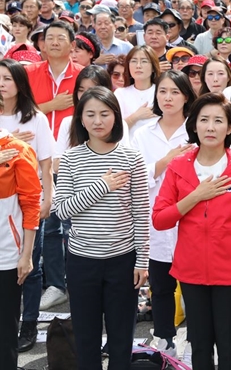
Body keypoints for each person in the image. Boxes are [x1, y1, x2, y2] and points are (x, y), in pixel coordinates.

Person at [152, 93, 231, 370]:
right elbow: (160, 219)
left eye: (218, 120)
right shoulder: (179, 166)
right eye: (203, 120)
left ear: (230, 127)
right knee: (199, 344)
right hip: (190, 271)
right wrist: (196, 196)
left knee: (227, 346)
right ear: (194, 125)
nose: (210, 127)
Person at [52, 87, 150, 370]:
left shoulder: (132, 157)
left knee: (121, 338)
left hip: (123, 260)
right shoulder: (71, 159)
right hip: (82, 261)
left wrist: (142, 260)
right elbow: (63, 210)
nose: (98, 120)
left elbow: (141, 212)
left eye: (105, 113)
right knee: (86, 337)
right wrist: (102, 186)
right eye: (90, 114)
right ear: (81, 120)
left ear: (116, 117)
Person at [130, 70, 196, 358]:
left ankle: (195, 339)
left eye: (174, 92)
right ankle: (165, 338)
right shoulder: (143, 133)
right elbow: (135, 176)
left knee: (195, 286)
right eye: (162, 92)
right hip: (155, 219)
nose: (168, 98)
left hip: (192, 218)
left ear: (186, 96)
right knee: (161, 285)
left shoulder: (196, 130)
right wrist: (165, 162)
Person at [0, 59, 55, 353]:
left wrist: (48, 195)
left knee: (29, 266)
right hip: (3, 197)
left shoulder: (34, 117)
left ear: (20, 83)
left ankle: (29, 321)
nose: (1, 84)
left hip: (26, 200)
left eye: (7, 79)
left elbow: (46, 162)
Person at [0, 93, 41, 370]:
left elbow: (31, 204)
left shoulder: (17, 150)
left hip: (6, 255)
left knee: (5, 331)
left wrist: (26, 254)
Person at [25, 21, 84, 139]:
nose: (55, 43)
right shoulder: (27, 73)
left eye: (61, 39)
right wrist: (51, 105)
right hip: (34, 145)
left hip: (73, 146)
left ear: (72, 45)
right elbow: (16, 112)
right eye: (50, 38)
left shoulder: (84, 75)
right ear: (43, 45)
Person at [115, 46, 161, 138]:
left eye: (144, 61)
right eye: (134, 61)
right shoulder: (120, 94)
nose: (138, 66)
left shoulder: (161, 92)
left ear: (153, 67)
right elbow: (114, 130)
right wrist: (136, 117)